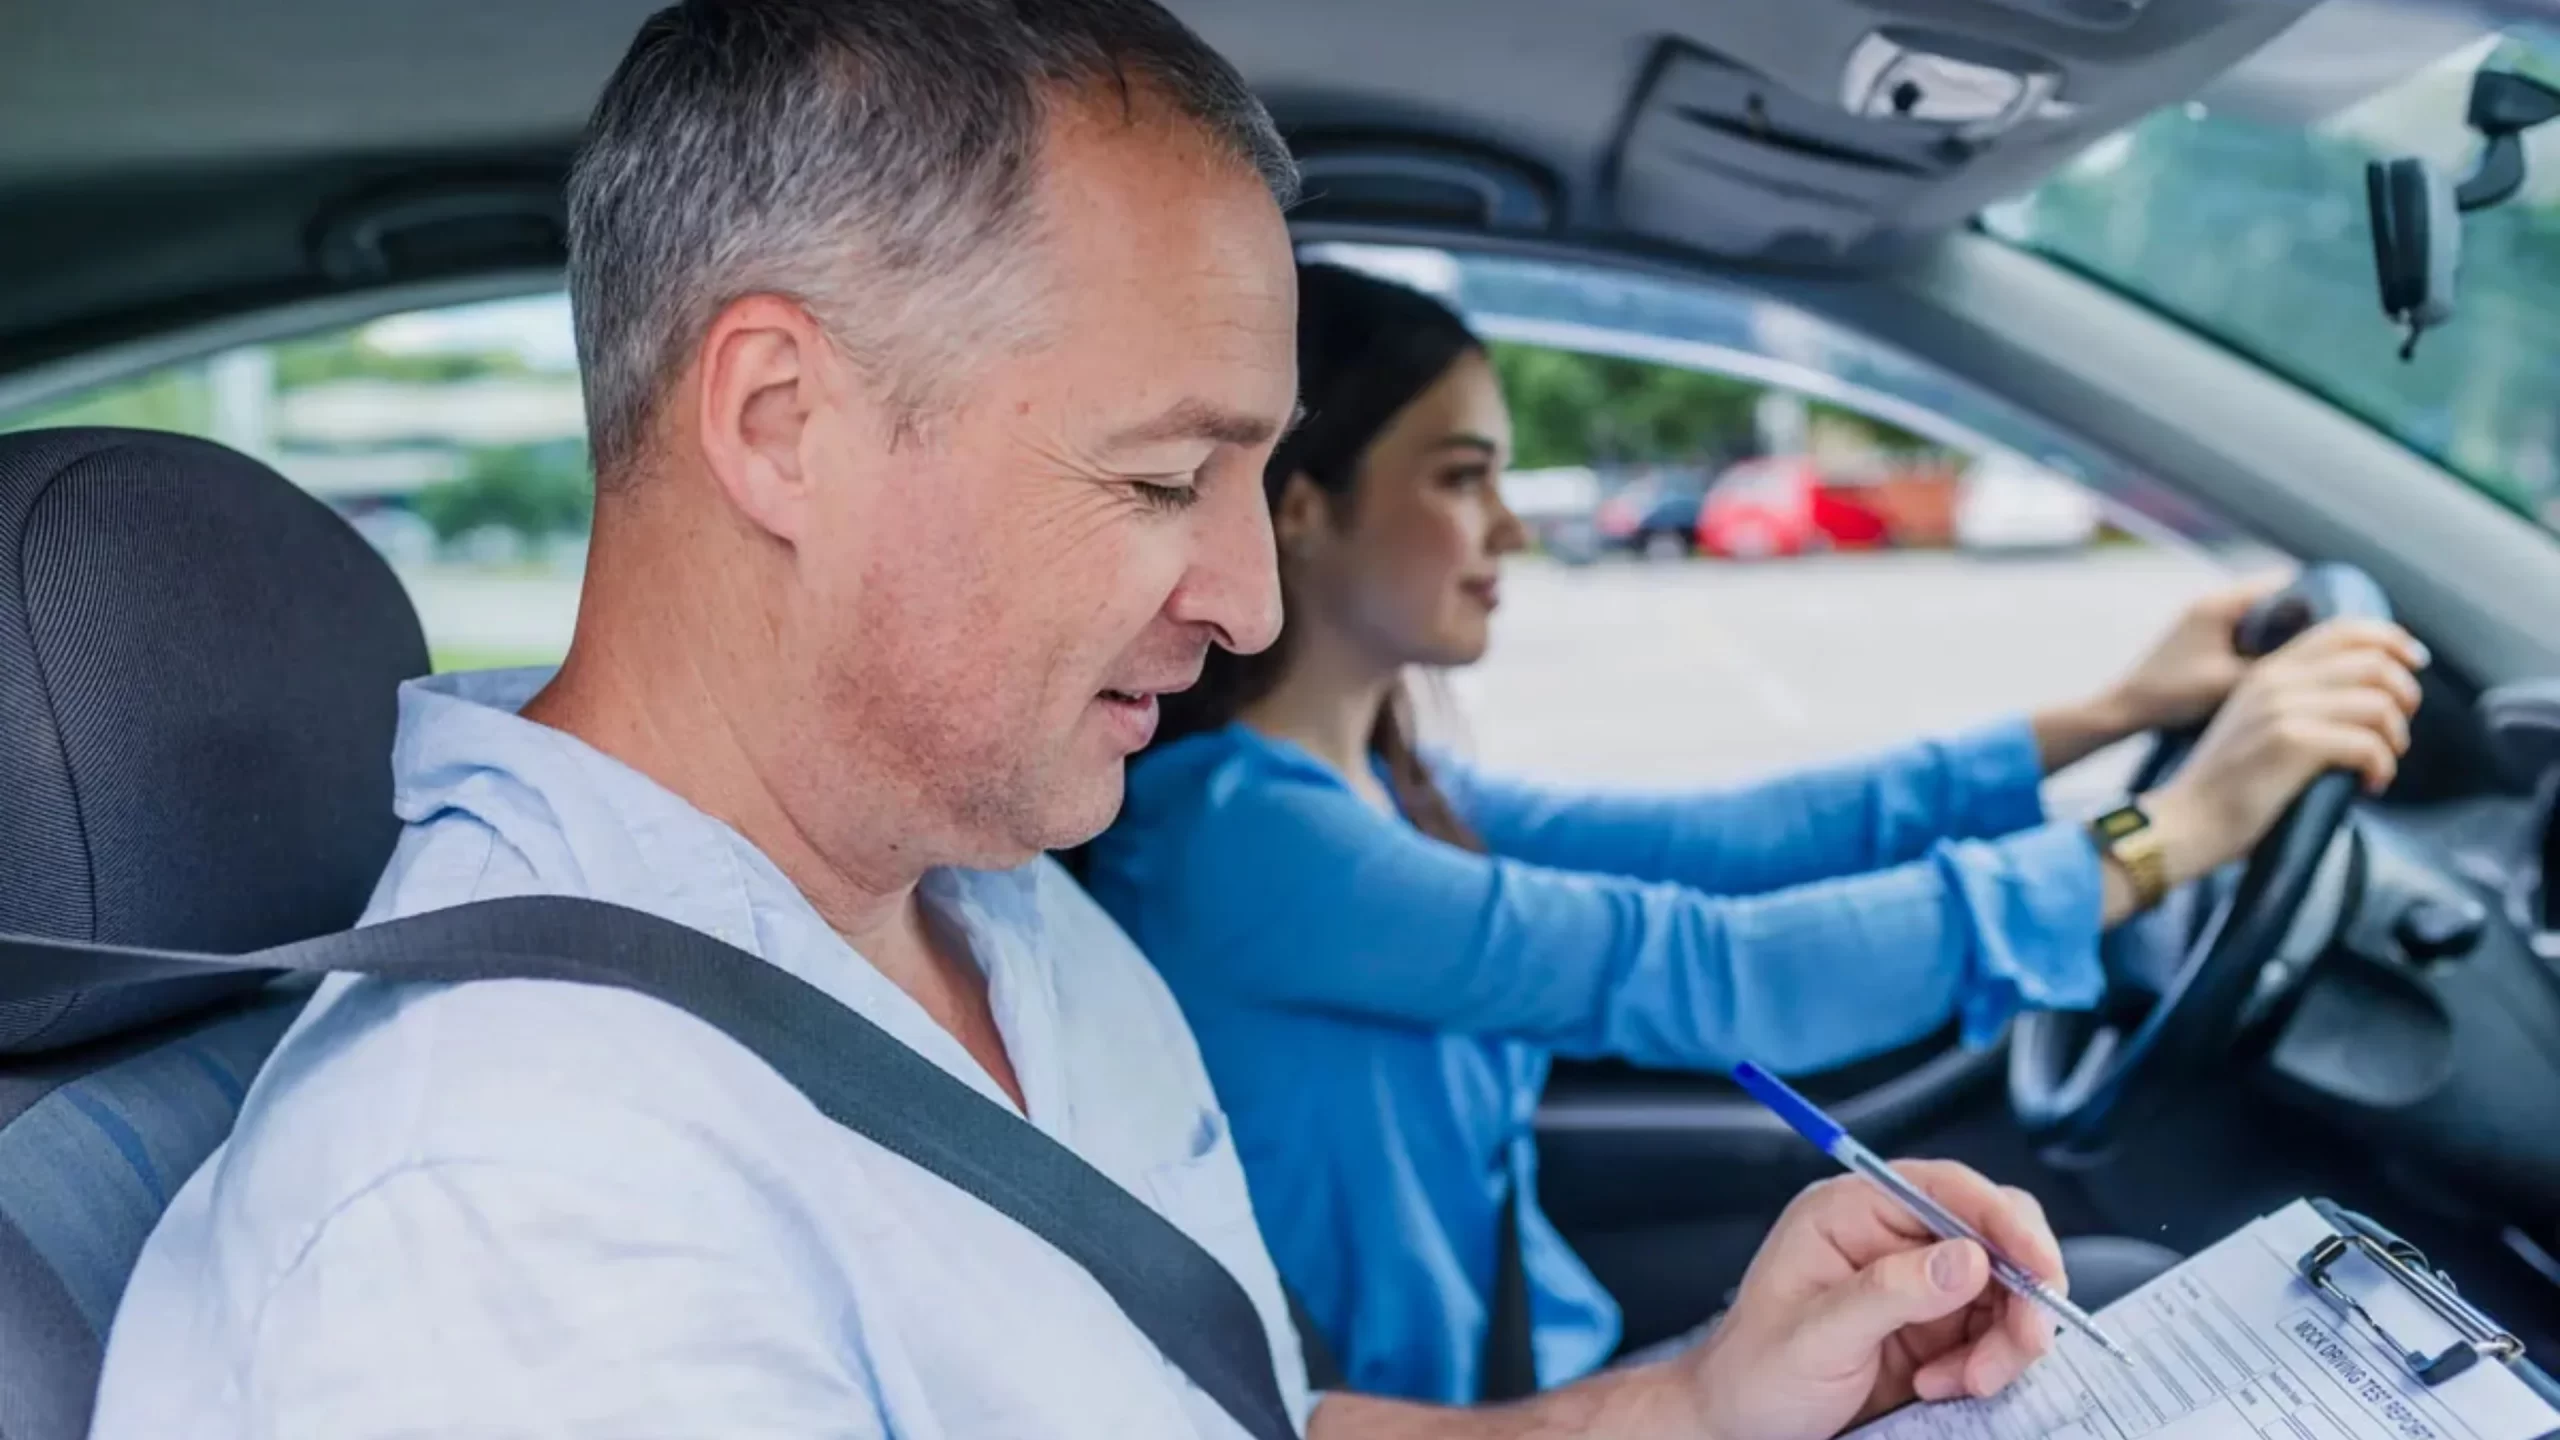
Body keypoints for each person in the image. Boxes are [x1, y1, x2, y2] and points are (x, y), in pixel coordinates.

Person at [93, 3, 2099, 1438]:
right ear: (783, 427)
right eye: (1159, 485)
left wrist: (1681, 1410)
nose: (1240, 598)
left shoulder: (989, 907)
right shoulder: (512, 1211)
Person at [1077, 263, 2428, 1405]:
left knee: (2098, 1312)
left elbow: (1729, 843)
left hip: (1531, 1358)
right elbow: (1713, 968)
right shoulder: (1245, 845)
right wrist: (2170, 834)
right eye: (1460, 477)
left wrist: (2110, 715)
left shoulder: (1378, 791)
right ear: (1303, 509)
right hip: (1456, 1414)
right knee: (2120, 1315)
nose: (1509, 526)